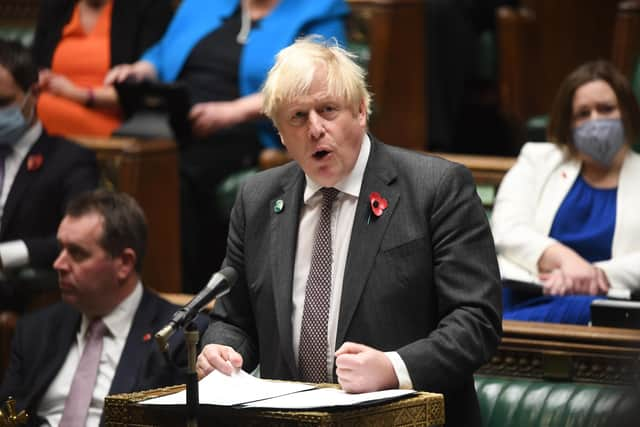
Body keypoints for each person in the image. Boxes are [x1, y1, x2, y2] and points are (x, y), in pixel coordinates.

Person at [195, 37, 502, 427]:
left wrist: (394, 367)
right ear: (280, 132)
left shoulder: (435, 187)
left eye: (328, 110)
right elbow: (234, 319)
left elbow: (477, 319)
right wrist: (223, 348)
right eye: (298, 117)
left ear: (361, 110)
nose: (315, 129)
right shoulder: (257, 199)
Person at [104, 0, 350, 294]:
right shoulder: (203, 5)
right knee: (133, 159)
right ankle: (121, 289)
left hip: (251, 132)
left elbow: (313, 80)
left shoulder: (317, 10)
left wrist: (231, 112)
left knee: (175, 175)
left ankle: (185, 293)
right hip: (177, 123)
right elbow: (161, 55)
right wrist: (139, 71)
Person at [0, 189, 190, 426]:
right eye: (61, 248)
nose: (59, 264)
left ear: (124, 263)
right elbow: (9, 416)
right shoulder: (35, 329)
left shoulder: (178, 337)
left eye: (77, 253)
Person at [492, 60, 640, 324]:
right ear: (569, 124)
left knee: (592, 313)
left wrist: (594, 275)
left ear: (627, 113)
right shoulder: (538, 160)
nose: (595, 120)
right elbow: (506, 228)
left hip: (604, 301)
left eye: (606, 109)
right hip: (526, 288)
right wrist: (563, 258)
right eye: (583, 113)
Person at [0, 38, 99, 311]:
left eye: (3, 102)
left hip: (22, 286)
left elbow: (81, 238)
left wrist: (5, 255)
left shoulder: (69, 159)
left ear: (34, 93)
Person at [33, 0, 173, 137]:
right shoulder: (55, 6)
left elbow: (146, 89)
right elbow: (34, 69)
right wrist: (39, 80)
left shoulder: (148, 6)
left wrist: (77, 94)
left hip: (115, 122)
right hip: (45, 115)